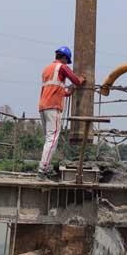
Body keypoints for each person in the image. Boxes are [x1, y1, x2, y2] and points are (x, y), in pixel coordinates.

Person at [38, 46, 86, 178]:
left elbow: (53, 88)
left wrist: (67, 92)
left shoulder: (47, 69)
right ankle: (42, 170)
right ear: (64, 57)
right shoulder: (62, 67)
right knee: (52, 139)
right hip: (53, 107)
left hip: (43, 106)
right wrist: (81, 80)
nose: (66, 62)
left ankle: (45, 167)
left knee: (48, 139)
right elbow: (76, 80)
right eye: (67, 60)